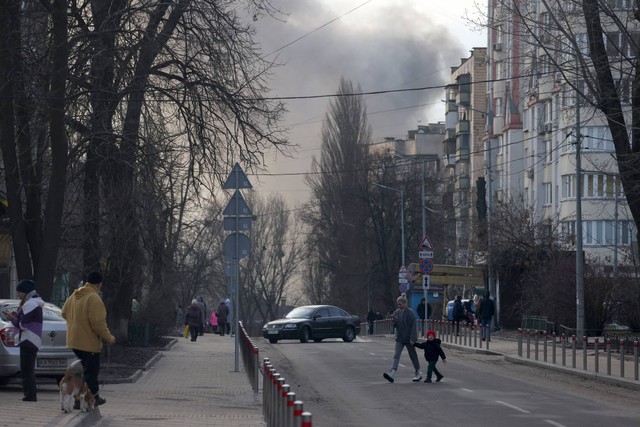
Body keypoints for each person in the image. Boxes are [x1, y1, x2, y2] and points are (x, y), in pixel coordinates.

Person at [61, 271, 116, 407]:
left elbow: (63, 312)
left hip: (74, 341)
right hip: (89, 343)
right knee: (91, 372)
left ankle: (77, 400)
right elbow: (98, 323)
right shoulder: (94, 298)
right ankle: (92, 398)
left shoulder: (75, 295)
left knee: (79, 373)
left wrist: (76, 324)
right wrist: (109, 338)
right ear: (99, 283)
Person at [6, 280, 44, 401]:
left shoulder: (30, 304)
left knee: (26, 370)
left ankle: (30, 396)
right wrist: (16, 315)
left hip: (28, 339)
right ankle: (30, 395)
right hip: (34, 339)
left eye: (19, 292)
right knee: (29, 369)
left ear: (25, 291)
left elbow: (23, 325)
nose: (18, 294)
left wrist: (12, 319)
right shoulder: (35, 303)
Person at [383, 295, 422, 383]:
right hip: (399, 338)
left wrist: (413, 338)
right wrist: (394, 321)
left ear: (405, 303)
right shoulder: (397, 312)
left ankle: (417, 372)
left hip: (409, 339)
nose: (399, 306)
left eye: (400, 304)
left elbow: (414, 326)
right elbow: (395, 325)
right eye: (398, 304)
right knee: (396, 355)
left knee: (413, 356)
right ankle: (392, 372)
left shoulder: (410, 313)